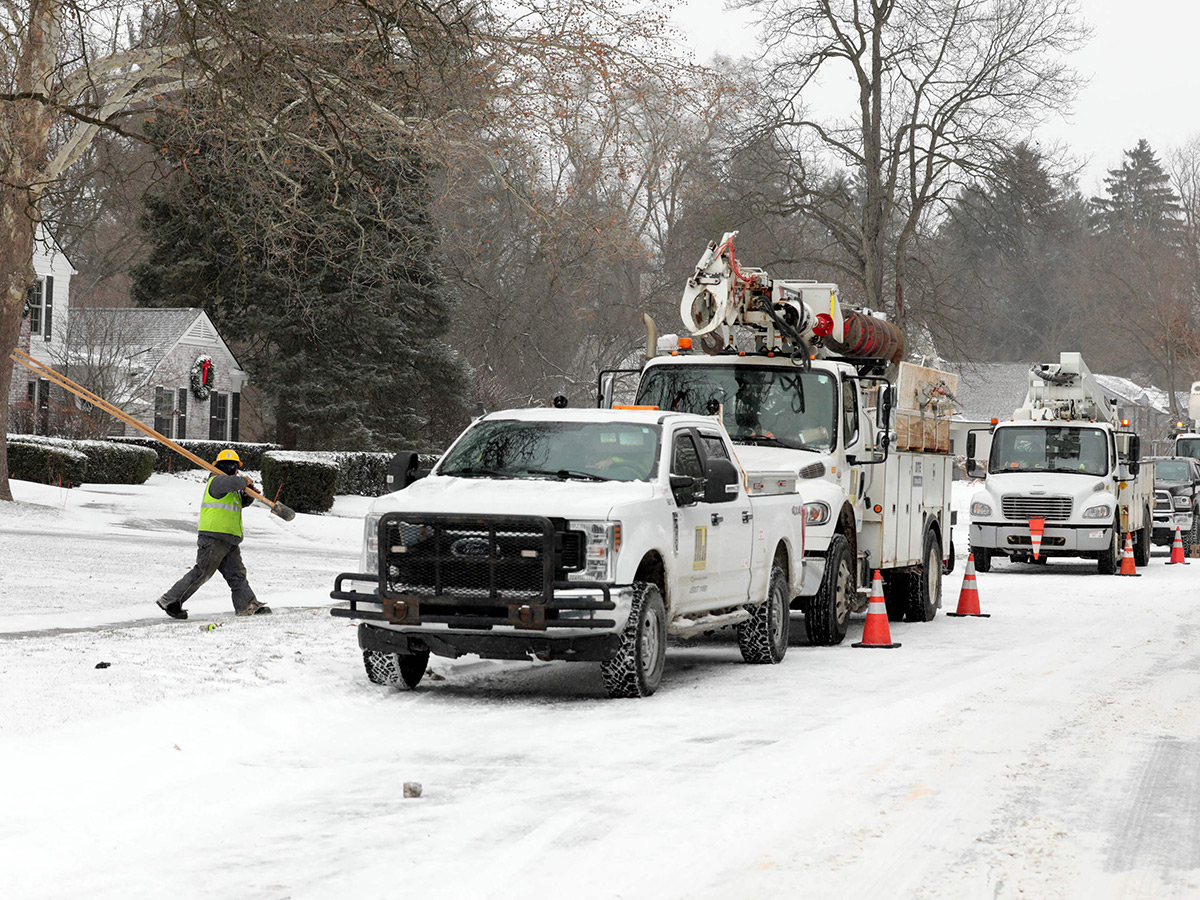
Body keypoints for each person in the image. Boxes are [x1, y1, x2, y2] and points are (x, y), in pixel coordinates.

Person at [156, 449, 271, 619]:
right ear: (218, 466)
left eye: (234, 465)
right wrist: (243, 481)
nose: (231, 467)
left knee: (237, 575)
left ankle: (247, 606)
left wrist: (248, 494)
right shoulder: (217, 481)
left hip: (229, 538)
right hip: (214, 537)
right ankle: (170, 600)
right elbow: (231, 483)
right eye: (228, 465)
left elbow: (240, 503)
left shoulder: (231, 486)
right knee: (202, 572)